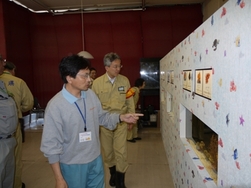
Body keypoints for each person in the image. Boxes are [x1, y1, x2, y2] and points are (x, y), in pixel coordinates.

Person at [40, 54, 142, 188]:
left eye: (89, 75)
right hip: (73, 165)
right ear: (69, 78)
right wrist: (59, 178)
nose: (90, 80)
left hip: (95, 159)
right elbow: (51, 145)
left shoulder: (90, 95)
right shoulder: (55, 106)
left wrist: (121, 117)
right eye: (85, 76)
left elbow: (102, 117)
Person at [92, 52, 135, 188]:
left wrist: (131, 119)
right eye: (115, 66)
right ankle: (113, 174)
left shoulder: (124, 80)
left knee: (121, 151)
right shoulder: (96, 84)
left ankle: (121, 182)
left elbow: (129, 100)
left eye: (119, 66)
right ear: (106, 67)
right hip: (105, 124)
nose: (118, 69)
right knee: (108, 152)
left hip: (121, 121)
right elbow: (93, 106)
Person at [0, 61, 34, 188]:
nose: (2, 66)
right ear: (13, 70)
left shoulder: (2, 84)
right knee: (15, 159)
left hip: (6, 131)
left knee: (8, 161)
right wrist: (18, 108)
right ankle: (17, 184)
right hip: (13, 125)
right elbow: (28, 103)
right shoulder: (18, 82)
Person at [0, 56, 18, 188]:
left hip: (9, 140)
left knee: (8, 178)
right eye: (2, 62)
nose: (3, 65)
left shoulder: (1, 85)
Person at [127, 78, 145, 143]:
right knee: (130, 123)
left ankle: (134, 136)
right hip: (129, 109)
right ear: (140, 84)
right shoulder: (133, 90)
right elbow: (127, 97)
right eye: (144, 83)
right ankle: (129, 137)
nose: (144, 85)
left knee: (134, 122)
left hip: (133, 109)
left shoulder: (137, 91)